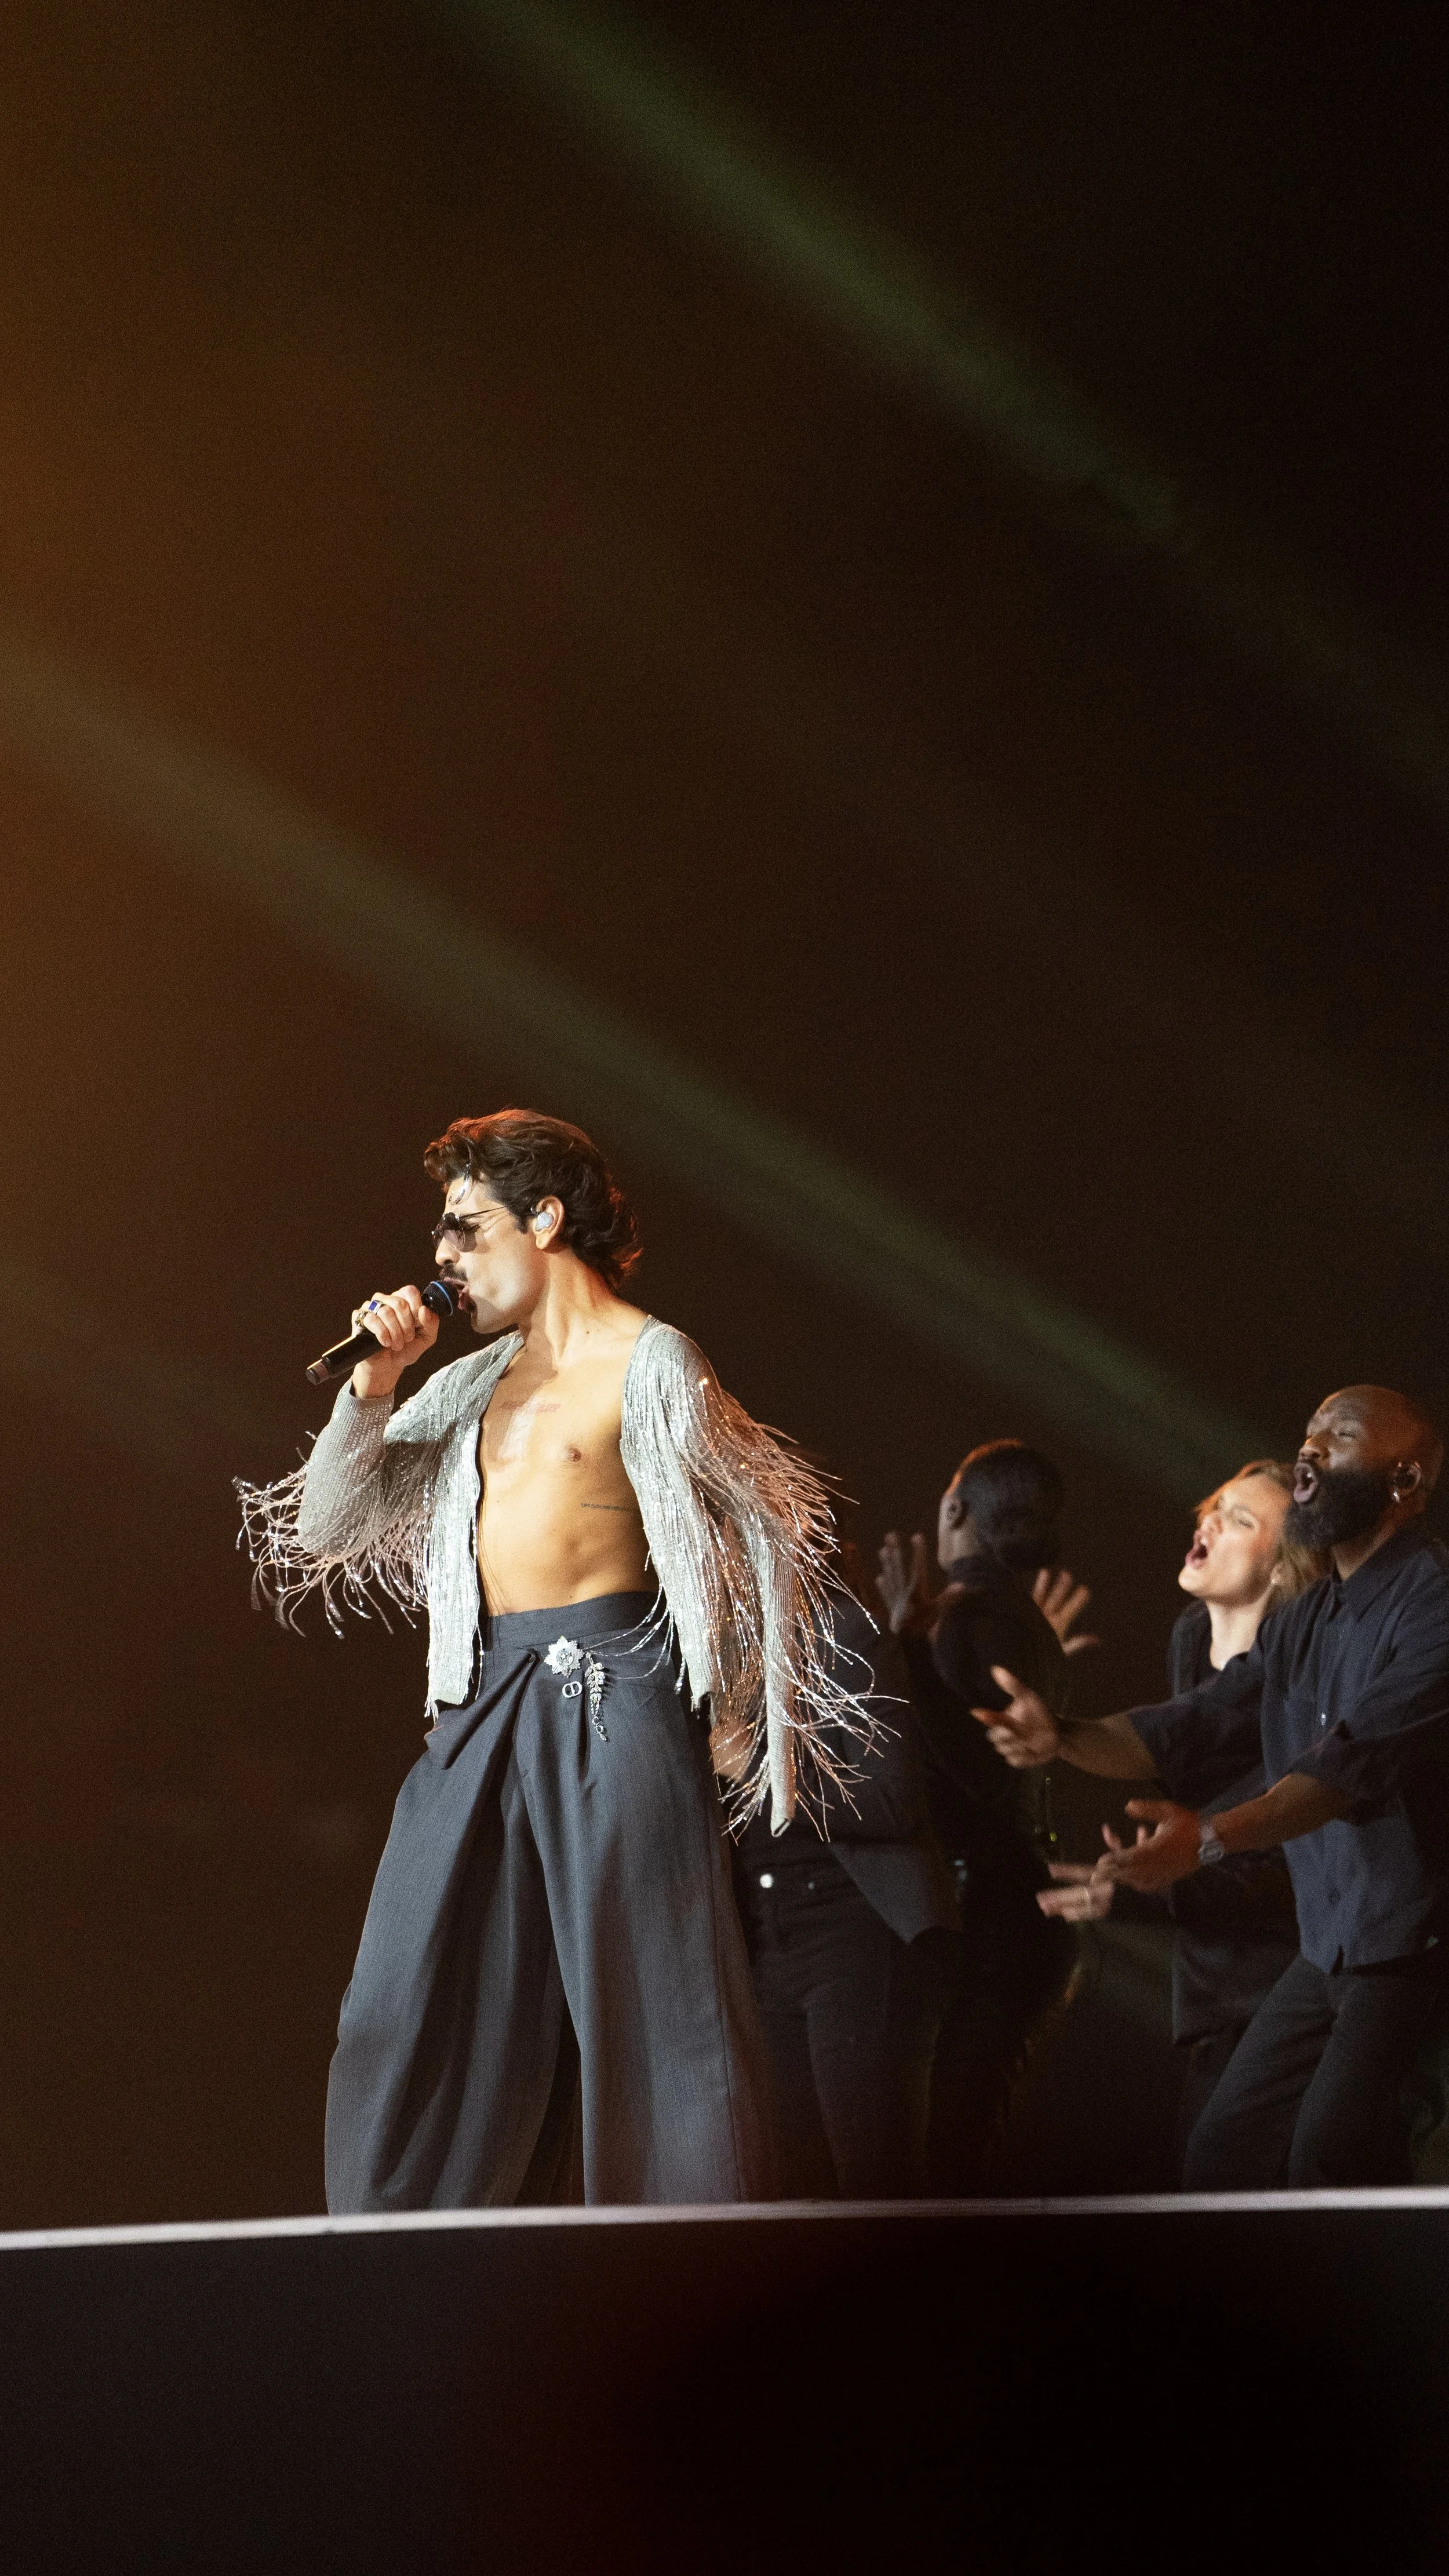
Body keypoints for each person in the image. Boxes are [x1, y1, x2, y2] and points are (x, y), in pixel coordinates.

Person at [239, 1108, 871, 2211]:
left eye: (466, 1227)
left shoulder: (653, 1358)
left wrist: (729, 1706)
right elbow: (330, 1526)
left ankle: (686, 2267)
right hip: (483, 1704)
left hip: (616, 1692)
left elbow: (744, 1538)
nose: (441, 1256)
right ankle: (400, 2249)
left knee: (657, 2002)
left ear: (545, 1216)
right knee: (398, 2003)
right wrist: (373, 1384)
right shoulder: (469, 1384)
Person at [977, 1386, 1449, 2190]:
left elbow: (1346, 1770)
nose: (1310, 1450)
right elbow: (1193, 1722)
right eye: (1307, 1433)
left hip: (1413, 1947)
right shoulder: (1305, 1621)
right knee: (1222, 2153)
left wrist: (1207, 1838)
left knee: (1327, 2157)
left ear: (1404, 1481)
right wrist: (1063, 1737)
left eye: (1338, 1437)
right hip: (1329, 1948)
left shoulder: (1431, 1599)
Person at [1039, 1462, 1326, 2148]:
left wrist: (1053, 1731)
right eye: (1215, 1506)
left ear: (1284, 1567)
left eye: (1241, 1519)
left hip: (1289, 1984)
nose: (1210, 1522)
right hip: (1214, 1988)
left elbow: (1282, 1863)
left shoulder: (1299, 1675)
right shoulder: (1190, 1637)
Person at [727, 1550, 960, 2199]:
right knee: (793, 2185)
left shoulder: (848, 1636)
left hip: (857, 1926)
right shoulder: (709, 1658)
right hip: (765, 1941)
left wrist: (756, 1771)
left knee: (874, 2182)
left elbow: (889, 1801)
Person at [879, 1441, 1079, 2192]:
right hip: (1010, 1913)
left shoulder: (969, 1618)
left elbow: (986, 1776)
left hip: (994, 1918)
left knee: (948, 2157)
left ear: (955, 1510)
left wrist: (907, 1655)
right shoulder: (1012, 1617)